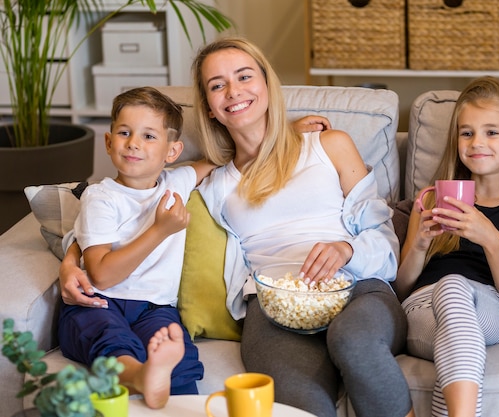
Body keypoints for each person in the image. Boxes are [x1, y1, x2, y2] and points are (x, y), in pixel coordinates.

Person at [191, 37, 414, 417]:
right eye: (217, 85)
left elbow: (386, 245)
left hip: (359, 289)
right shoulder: (214, 183)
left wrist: (347, 250)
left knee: (353, 341)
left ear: (266, 85)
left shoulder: (329, 146)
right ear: (210, 108)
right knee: (302, 407)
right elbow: (131, 193)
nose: (234, 91)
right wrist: (76, 252)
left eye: (244, 76)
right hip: (275, 309)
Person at [393, 77, 499, 417]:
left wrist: (491, 239)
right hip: (424, 311)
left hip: (492, 309)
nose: (477, 142)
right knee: (450, 290)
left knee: (455, 289)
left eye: (492, 132)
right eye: (467, 133)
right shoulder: (433, 198)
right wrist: (419, 244)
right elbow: (403, 289)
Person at [57, 86, 215, 409]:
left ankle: (171, 391)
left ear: (172, 152)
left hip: (155, 307)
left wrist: (287, 133)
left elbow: (216, 161)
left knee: (178, 352)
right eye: (125, 133)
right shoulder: (101, 197)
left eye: (149, 136)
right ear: (108, 141)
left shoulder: (177, 182)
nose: (133, 143)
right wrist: (160, 230)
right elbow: (100, 274)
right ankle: (141, 376)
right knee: (108, 337)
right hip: (100, 300)